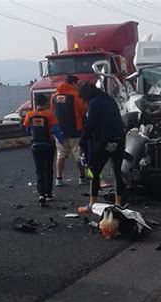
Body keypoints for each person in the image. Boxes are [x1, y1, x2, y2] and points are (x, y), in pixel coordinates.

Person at [77, 82, 126, 213]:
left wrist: (82, 142)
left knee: (94, 171)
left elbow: (90, 125)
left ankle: (91, 204)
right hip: (119, 139)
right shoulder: (108, 99)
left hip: (104, 141)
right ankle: (118, 204)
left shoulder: (95, 103)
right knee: (117, 172)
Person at [23, 94, 64, 206]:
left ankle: (41, 194)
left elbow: (27, 130)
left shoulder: (29, 115)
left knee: (39, 171)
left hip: (35, 145)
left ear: (36, 103)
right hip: (48, 145)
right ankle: (49, 193)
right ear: (45, 103)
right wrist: (62, 142)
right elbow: (55, 130)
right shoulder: (49, 114)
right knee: (48, 170)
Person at [50, 75, 88, 186]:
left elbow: (52, 113)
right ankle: (82, 177)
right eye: (76, 84)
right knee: (78, 154)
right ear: (72, 83)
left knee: (60, 155)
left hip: (60, 131)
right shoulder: (76, 96)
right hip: (75, 130)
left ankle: (58, 179)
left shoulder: (54, 97)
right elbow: (83, 110)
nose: (77, 87)